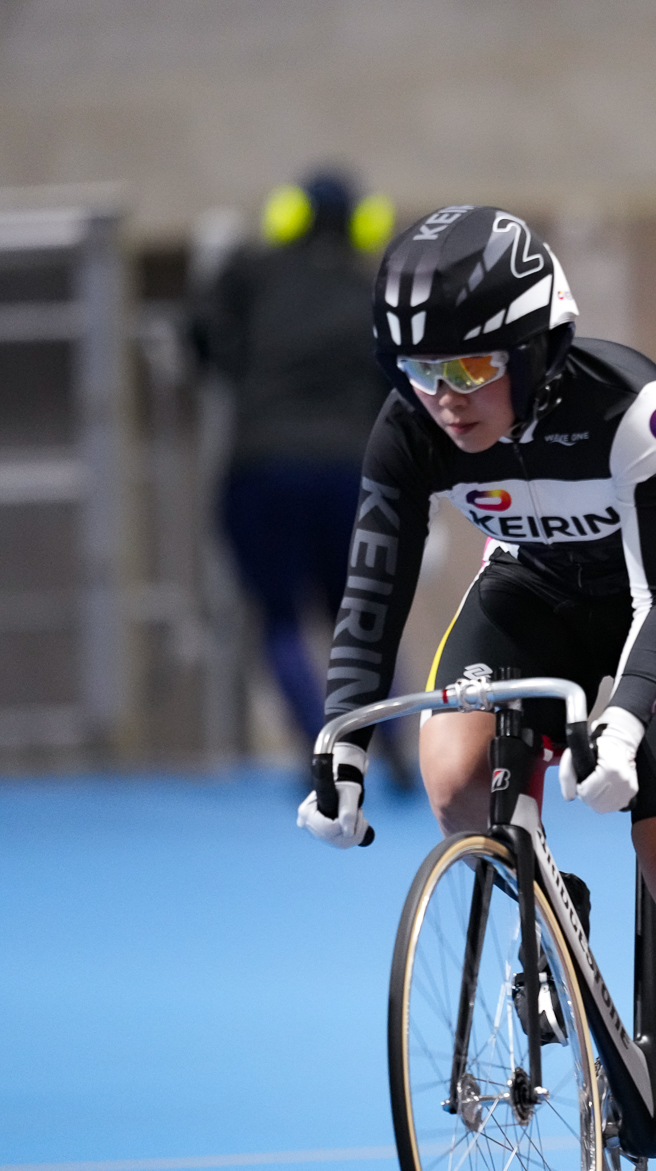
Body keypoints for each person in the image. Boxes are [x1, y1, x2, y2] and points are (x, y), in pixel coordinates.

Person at [294, 206, 656, 1171]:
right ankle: (549, 893)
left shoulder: (629, 406)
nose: (445, 396)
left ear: (530, 346)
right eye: (422, 370)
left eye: (470, 366)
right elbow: (370, 593)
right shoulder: (410, 423)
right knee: (455, 773)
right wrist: (338, 741)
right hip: (534, 580)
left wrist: (618, 720)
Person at [193, 168, 406, 777]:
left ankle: (324, 750)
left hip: (261, 465)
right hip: (350, 472)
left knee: (280, 616)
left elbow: (202, 336)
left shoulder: (250, 271)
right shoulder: (372, 289)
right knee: (363, 611)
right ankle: (388, 743)